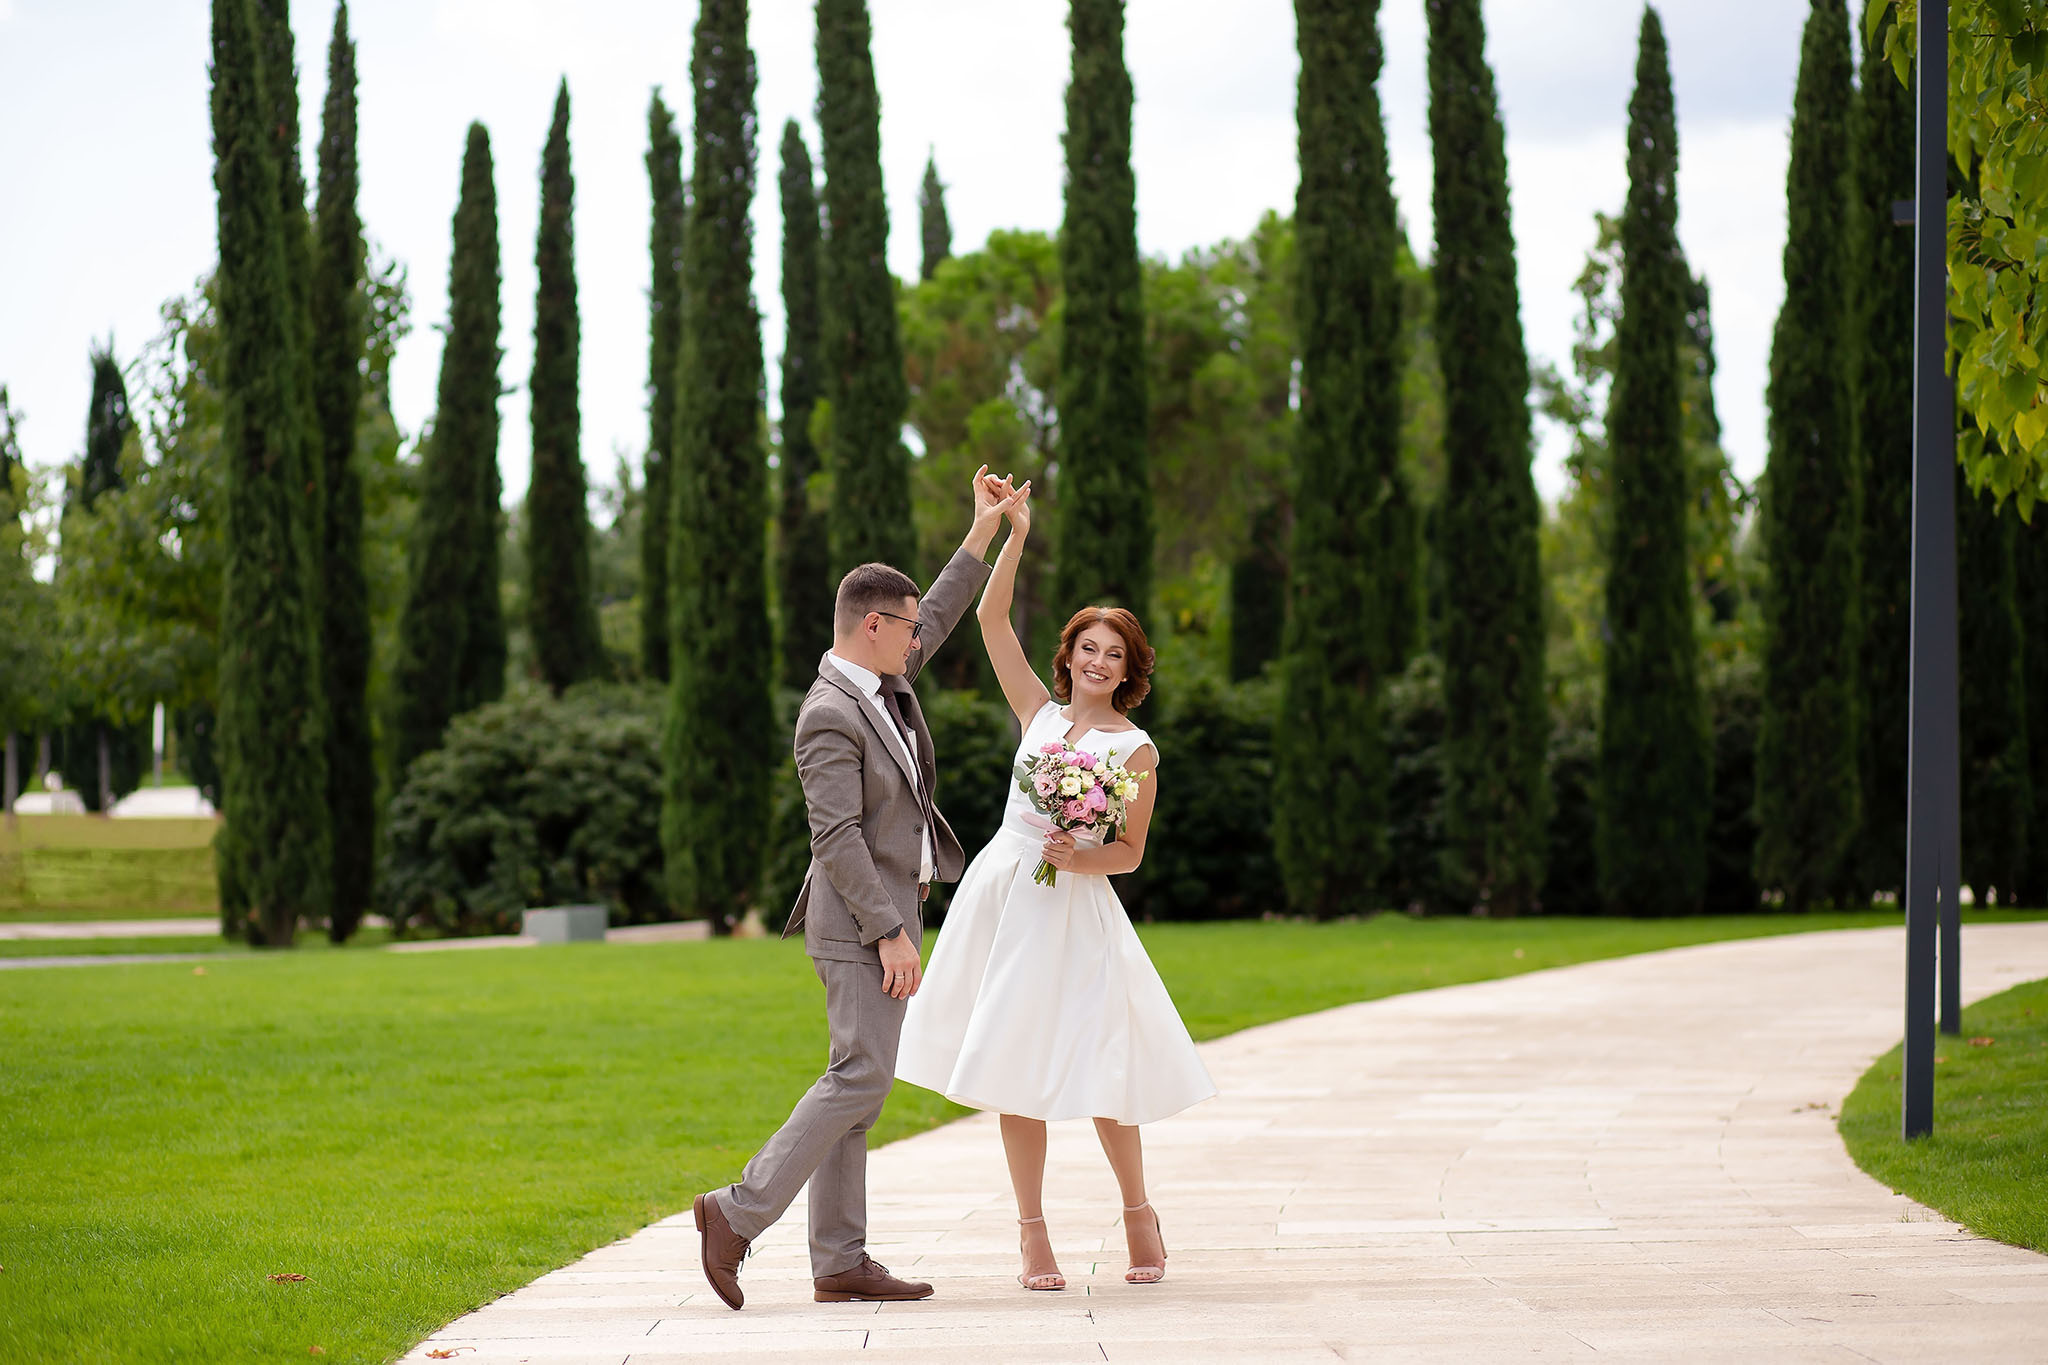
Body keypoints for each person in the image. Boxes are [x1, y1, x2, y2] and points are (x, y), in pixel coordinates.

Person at [692, 468, 1027, 1310]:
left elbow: (941, 611)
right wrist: (888, 931)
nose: (920, 640)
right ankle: (734, 1212)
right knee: (861, 1078)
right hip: (857, 923)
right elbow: (834, 836)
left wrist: (980, 532)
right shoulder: (828, 713)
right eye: (906, 628)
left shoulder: (884, 681)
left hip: (886, 916)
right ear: (871, 626)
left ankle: (839, 1259)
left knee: (858, 1078)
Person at [895, 474, 1217, 1292]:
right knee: (1013, 1057)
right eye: (1088, 648)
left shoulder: (1135, 749)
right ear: (1069, 655)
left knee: (1106, 1062)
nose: (1099, 662)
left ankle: (1139, 1212)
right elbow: (989, 618)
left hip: (1079, 908)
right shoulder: (1037, 711)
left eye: (1115, 653)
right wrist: (1013, 534)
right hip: (1008, 896)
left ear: (1129, 668)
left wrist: (1085, 853)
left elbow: (1133, 852)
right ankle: (1032, 1235)